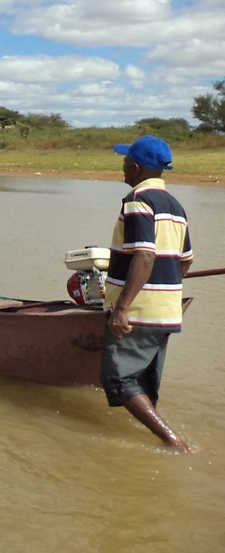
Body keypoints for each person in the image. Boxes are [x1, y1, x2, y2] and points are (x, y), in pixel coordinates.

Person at [101, 135, 193, 452]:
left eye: (125, 163)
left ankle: (173, 441)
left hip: (140, 312)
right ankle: (159, 434)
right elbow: (186, 260)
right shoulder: (176, 206)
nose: (122, 169)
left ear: (137, 168)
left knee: (118, 379)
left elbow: (144, 255)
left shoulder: (137, 201)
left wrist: (123, 307)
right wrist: (165, 287)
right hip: (168, 309)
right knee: (143, 382)